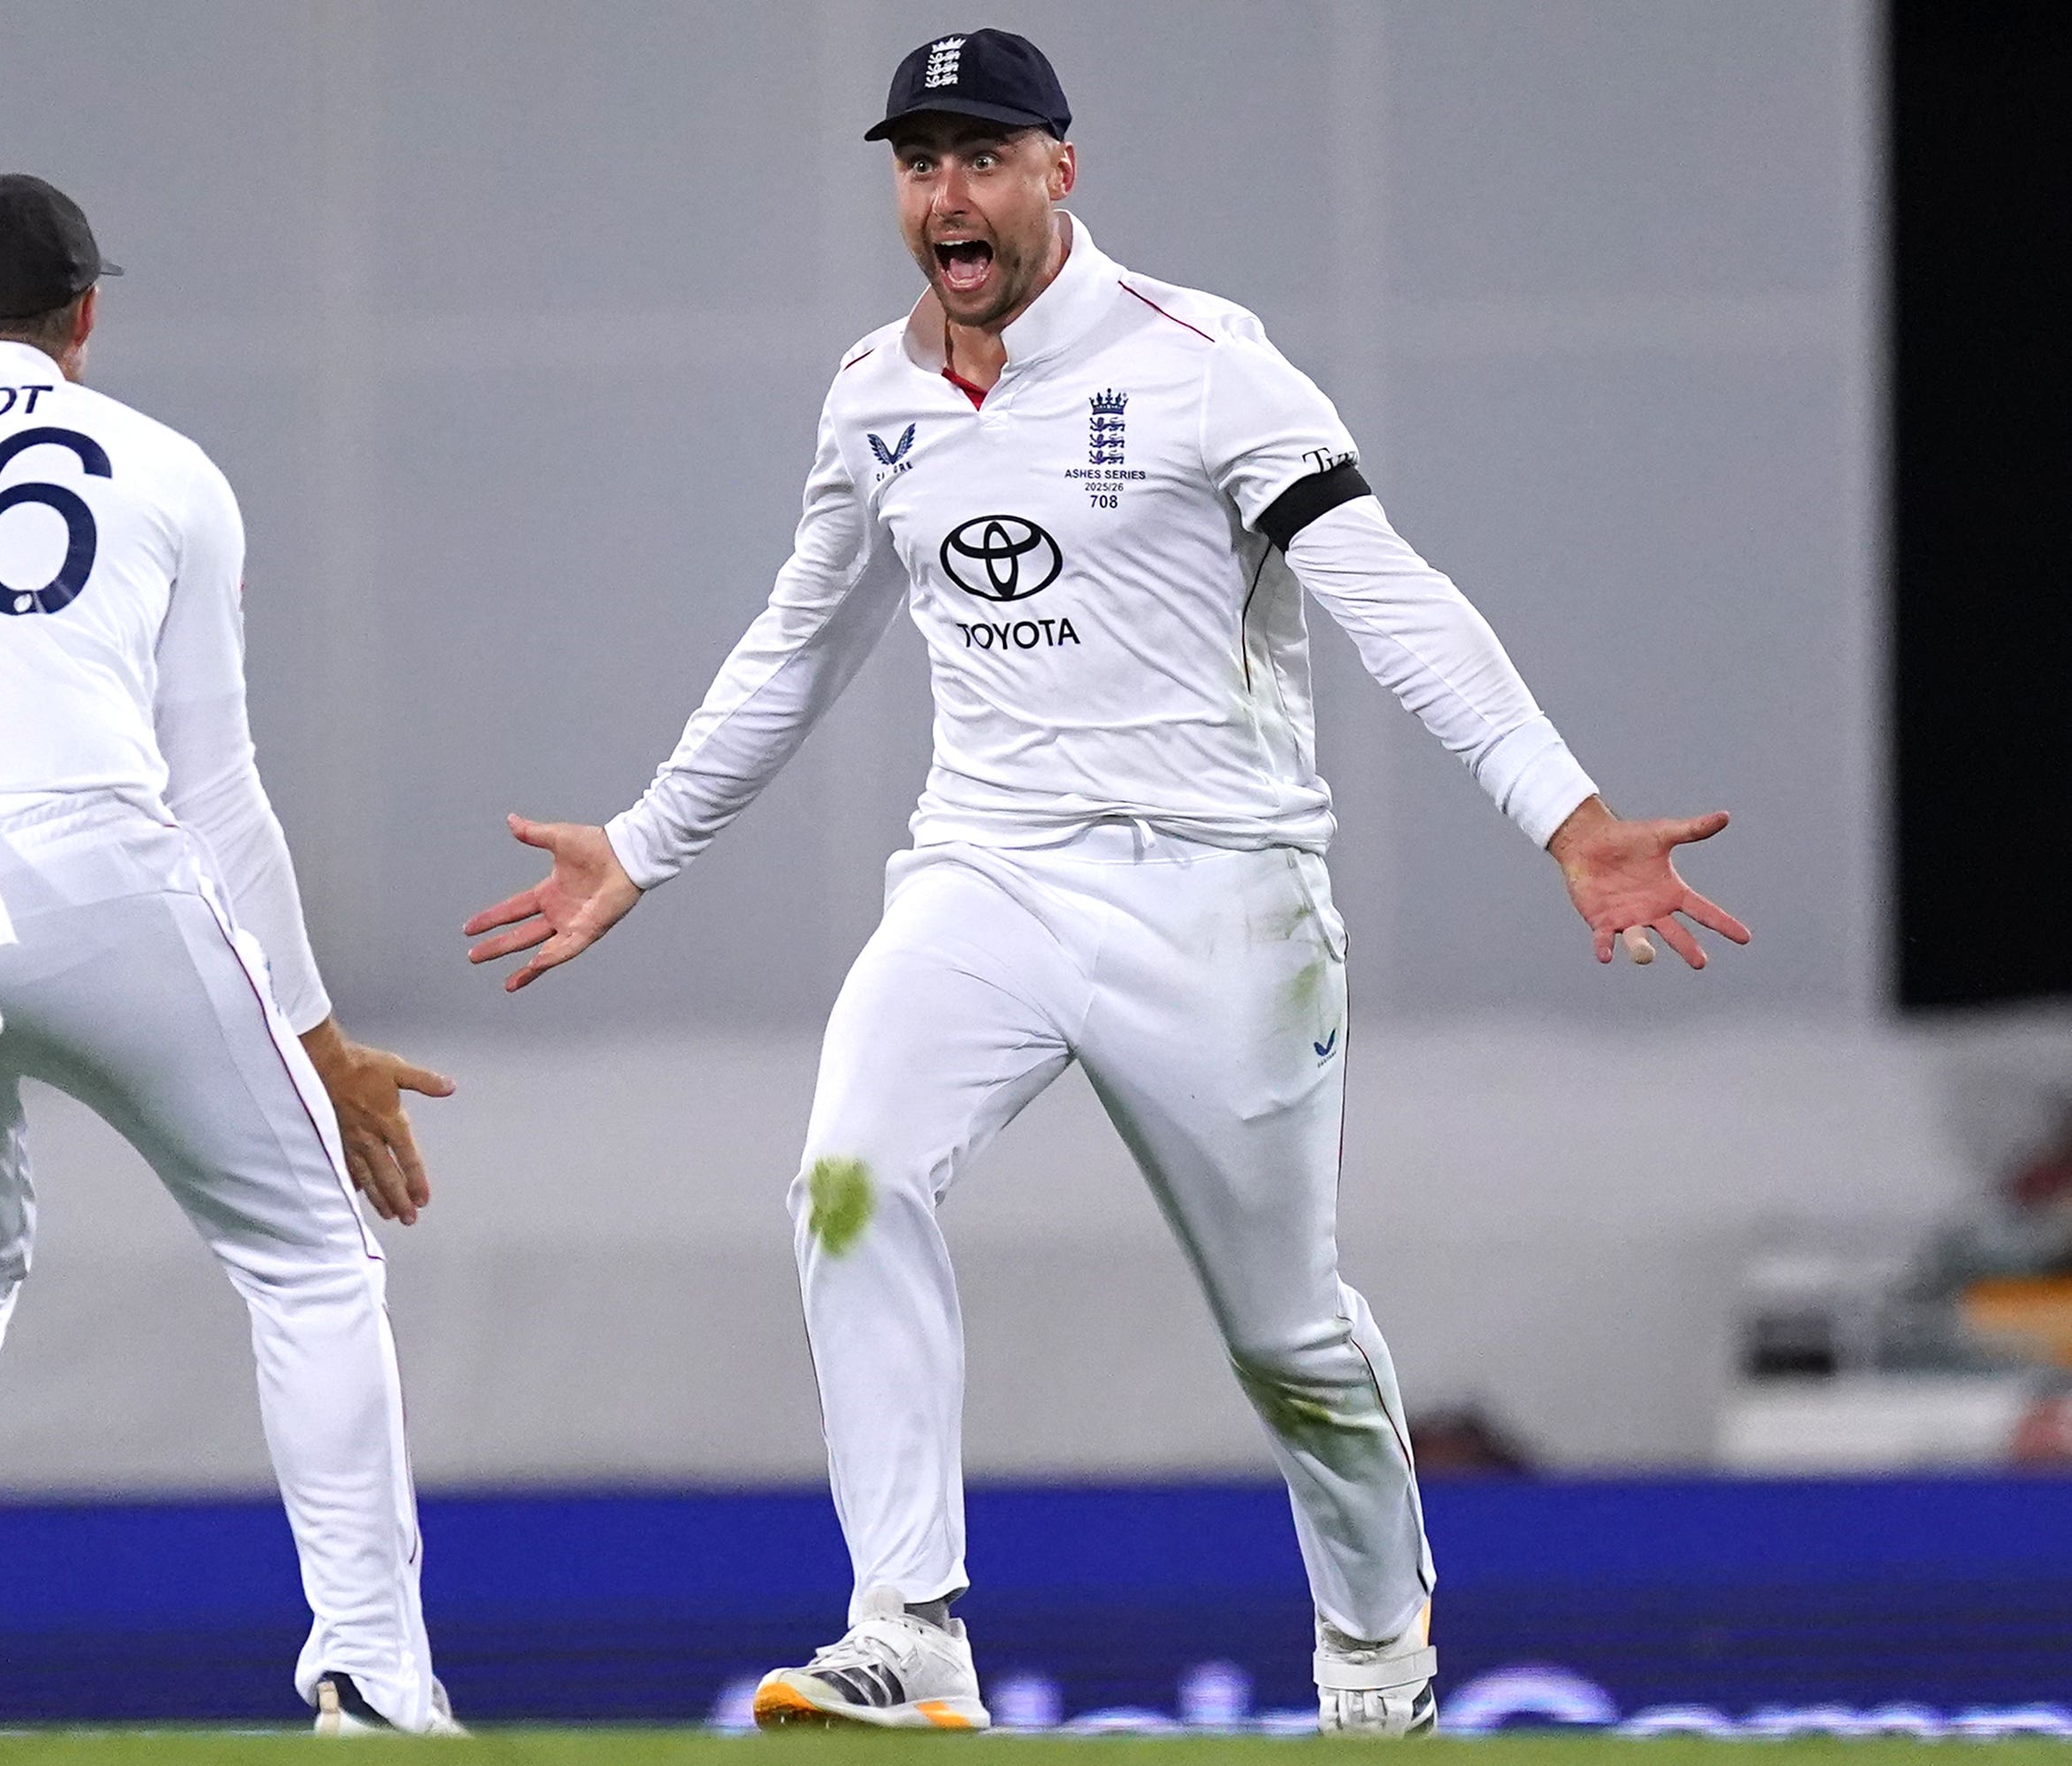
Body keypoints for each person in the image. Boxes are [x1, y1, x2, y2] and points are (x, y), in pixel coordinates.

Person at [464, 29, 1747, 1738]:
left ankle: (1378, 1646)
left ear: (1061, 170)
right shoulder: (874, 395)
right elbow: (802, 640)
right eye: (920, 163)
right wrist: (645, 839)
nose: (948, 196)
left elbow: (1392, 595)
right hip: (987, 874)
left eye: (982, 157)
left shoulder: (1211, 365)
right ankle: (906, 1622)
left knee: (1288, 1335)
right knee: (848, 1176)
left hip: (1224, 900)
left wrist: (1567, 819)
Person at [0, 173, 457, 1736]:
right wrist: (320, 1041)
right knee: (310, 1257)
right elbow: (215, 789)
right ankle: (374, 1681)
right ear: (84, 319)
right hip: (81, 862)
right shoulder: (165, 471)